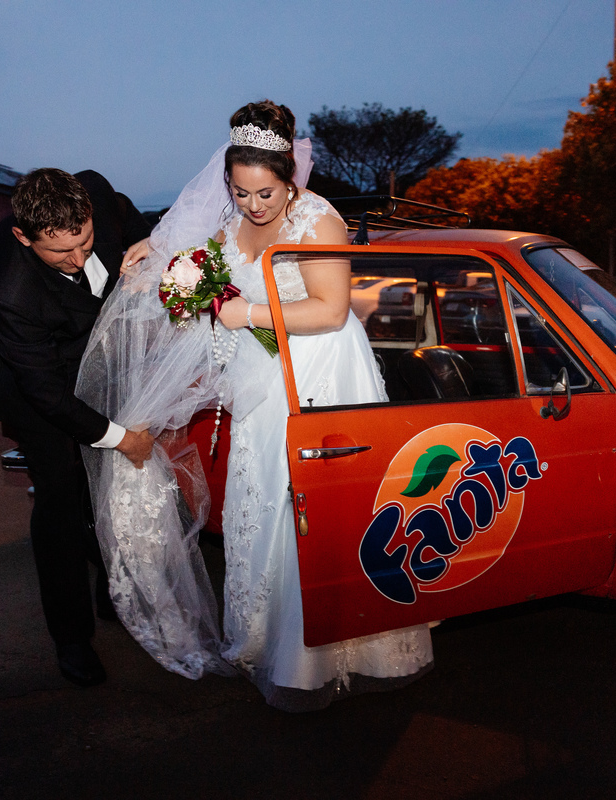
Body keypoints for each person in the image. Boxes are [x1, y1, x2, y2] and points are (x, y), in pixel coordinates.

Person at [93, 100, 433, 711]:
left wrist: (244, 313)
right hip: (259, 379)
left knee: (312, 505)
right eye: (241, 191)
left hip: (320, 375)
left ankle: (335, 646)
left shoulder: (319, 220)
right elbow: (197, 254)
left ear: (289, 178)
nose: (253, 206)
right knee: (261, 499)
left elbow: (330, 310)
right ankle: (268, 639)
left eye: (266, 193)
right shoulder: (229, 223)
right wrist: (156, 247)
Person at [0, 168, 154, 687]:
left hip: (98, 360)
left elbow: (128, 213)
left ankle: (109, 591)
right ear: (23, 237)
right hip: (37, 386)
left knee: (108, 492)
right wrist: (122, 437)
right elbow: (46, 393)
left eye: (85, 242)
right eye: (60, 253)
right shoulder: (12, 290)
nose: (78, 259)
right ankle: (71, 639)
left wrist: (143, 241)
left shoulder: (94, 193)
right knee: (60, 498)